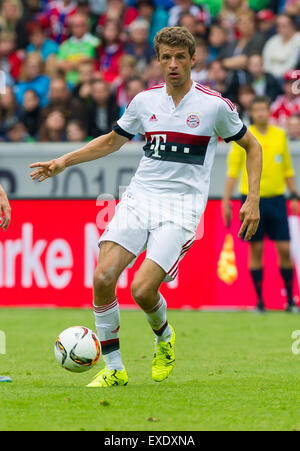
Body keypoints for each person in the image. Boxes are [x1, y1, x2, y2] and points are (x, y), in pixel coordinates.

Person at [29, 27, 262, 388]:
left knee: (141, 289)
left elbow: (253, 146)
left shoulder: (214, 105)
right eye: (166, 57)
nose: (173, 64)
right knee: (103, 277)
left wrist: (252, 197)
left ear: (192, 59)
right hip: (140, 197)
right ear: (157, 60)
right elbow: (110, 142)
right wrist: (63, 161)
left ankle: (164, 338)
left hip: (181, 209)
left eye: (180, 57)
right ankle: (115, 368)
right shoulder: (144, 101)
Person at [222, 95, 299, 313]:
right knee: (256, 250)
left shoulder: (280, 135)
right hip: (250, 200)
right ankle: (259, 302)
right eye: (256, 110)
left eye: (264, 109)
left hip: (277, 199)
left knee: (284, 248)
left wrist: (293, 194)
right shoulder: (243, 136)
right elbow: (232, 172)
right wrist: (226, 201)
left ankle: (290, 301)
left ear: (269, 111)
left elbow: (287, 168)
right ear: (252, 113)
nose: (261, 114)